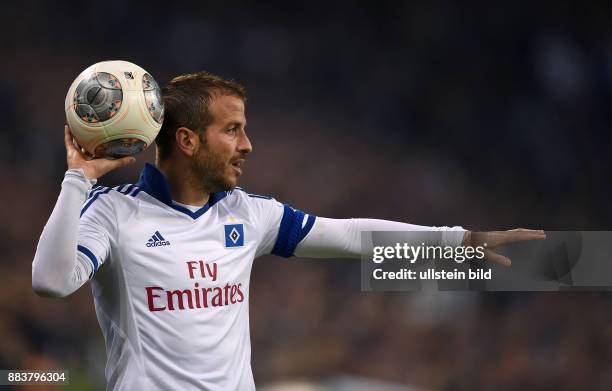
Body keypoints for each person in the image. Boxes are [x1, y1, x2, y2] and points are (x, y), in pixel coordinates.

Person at [32, 71, 545, 390]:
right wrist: (77, 179)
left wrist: (457, 241)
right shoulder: (115, 213)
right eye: (232, 130)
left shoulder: (246, 215)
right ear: (187, 140)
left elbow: (349, 236)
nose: (248, 145)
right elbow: (52, 281)